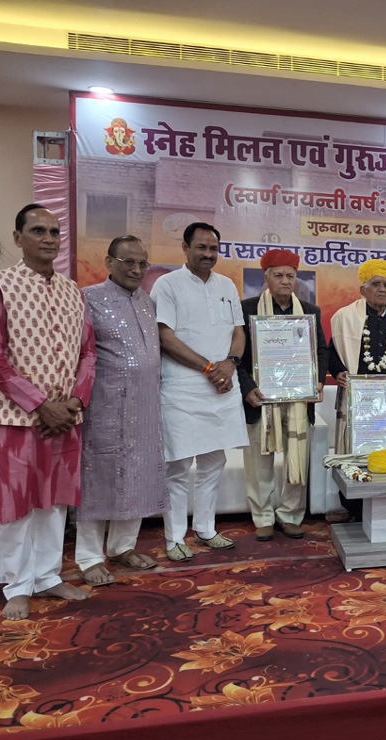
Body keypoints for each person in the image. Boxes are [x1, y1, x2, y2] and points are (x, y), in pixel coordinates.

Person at [0, 203, 96, 620]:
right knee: (16, 506)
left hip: (66, 417)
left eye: (54, 231)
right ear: (18, 238)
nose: (48, 239)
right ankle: (17, 585)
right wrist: (41, 406)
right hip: (14, 420)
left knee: (55, 502)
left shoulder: (73, 290)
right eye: (38, 231)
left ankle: (47, 577)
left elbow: (88, 353)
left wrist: (76, 401)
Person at [151, 222, 248, 561]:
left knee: (214, 461)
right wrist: (209, 368)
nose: (208, 254)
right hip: (182, 389)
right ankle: (175, 537)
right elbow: (165, 337)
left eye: (213, 248)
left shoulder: (226, 285)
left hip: (222, 387)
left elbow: (238, 332)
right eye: (201, 247)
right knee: (178, 466)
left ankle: (205, 528)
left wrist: (230, 364)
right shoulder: (167, 285)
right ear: (185, 248)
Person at [76, 236, 169, 585]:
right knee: (98, 477)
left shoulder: (147, 301)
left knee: (138, 474)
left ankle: (122, 547)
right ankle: (88, 557)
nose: (136, 269)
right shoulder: (88, 298)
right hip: (105, 404)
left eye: (142, 263)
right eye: (128, 262)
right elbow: (79, 352)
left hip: (144, 406)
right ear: (109, 262)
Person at [238, 249, 327, 541]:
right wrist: (248, 387)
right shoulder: (246, 309)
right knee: (259, 461)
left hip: (299, 399)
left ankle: (290, 514)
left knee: (297, 459)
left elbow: (321, 350)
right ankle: (263, 516)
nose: (285, 281)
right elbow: (236, 355)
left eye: (290, 275)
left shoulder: (310, 311)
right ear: (266, 278)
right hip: (261, 399)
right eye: (278, 275)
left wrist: (317, 382)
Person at [329, 259, 386, 520]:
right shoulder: (345, 317)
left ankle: (382, 509)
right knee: (354, 453)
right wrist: (338, 372)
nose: (382, 289)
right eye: (376, 284)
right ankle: (353, 510)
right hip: (356, 401)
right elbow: (332, 353)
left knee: (384, 451)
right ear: (362, 289)